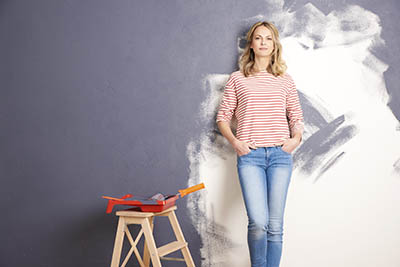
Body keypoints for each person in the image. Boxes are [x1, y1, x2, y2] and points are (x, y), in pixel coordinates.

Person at [216, 21, 304, 267]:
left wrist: (294, 140)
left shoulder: (285, 80)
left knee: (275, 226)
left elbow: (296, 116)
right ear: (251, 44)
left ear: (274, 44)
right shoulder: (238, 78)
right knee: (258, 222)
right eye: (258, 38)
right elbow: (223, 117)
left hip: (280, 156)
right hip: (250, 157)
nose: (263, 42)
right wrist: (236, 143)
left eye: (268, 38)